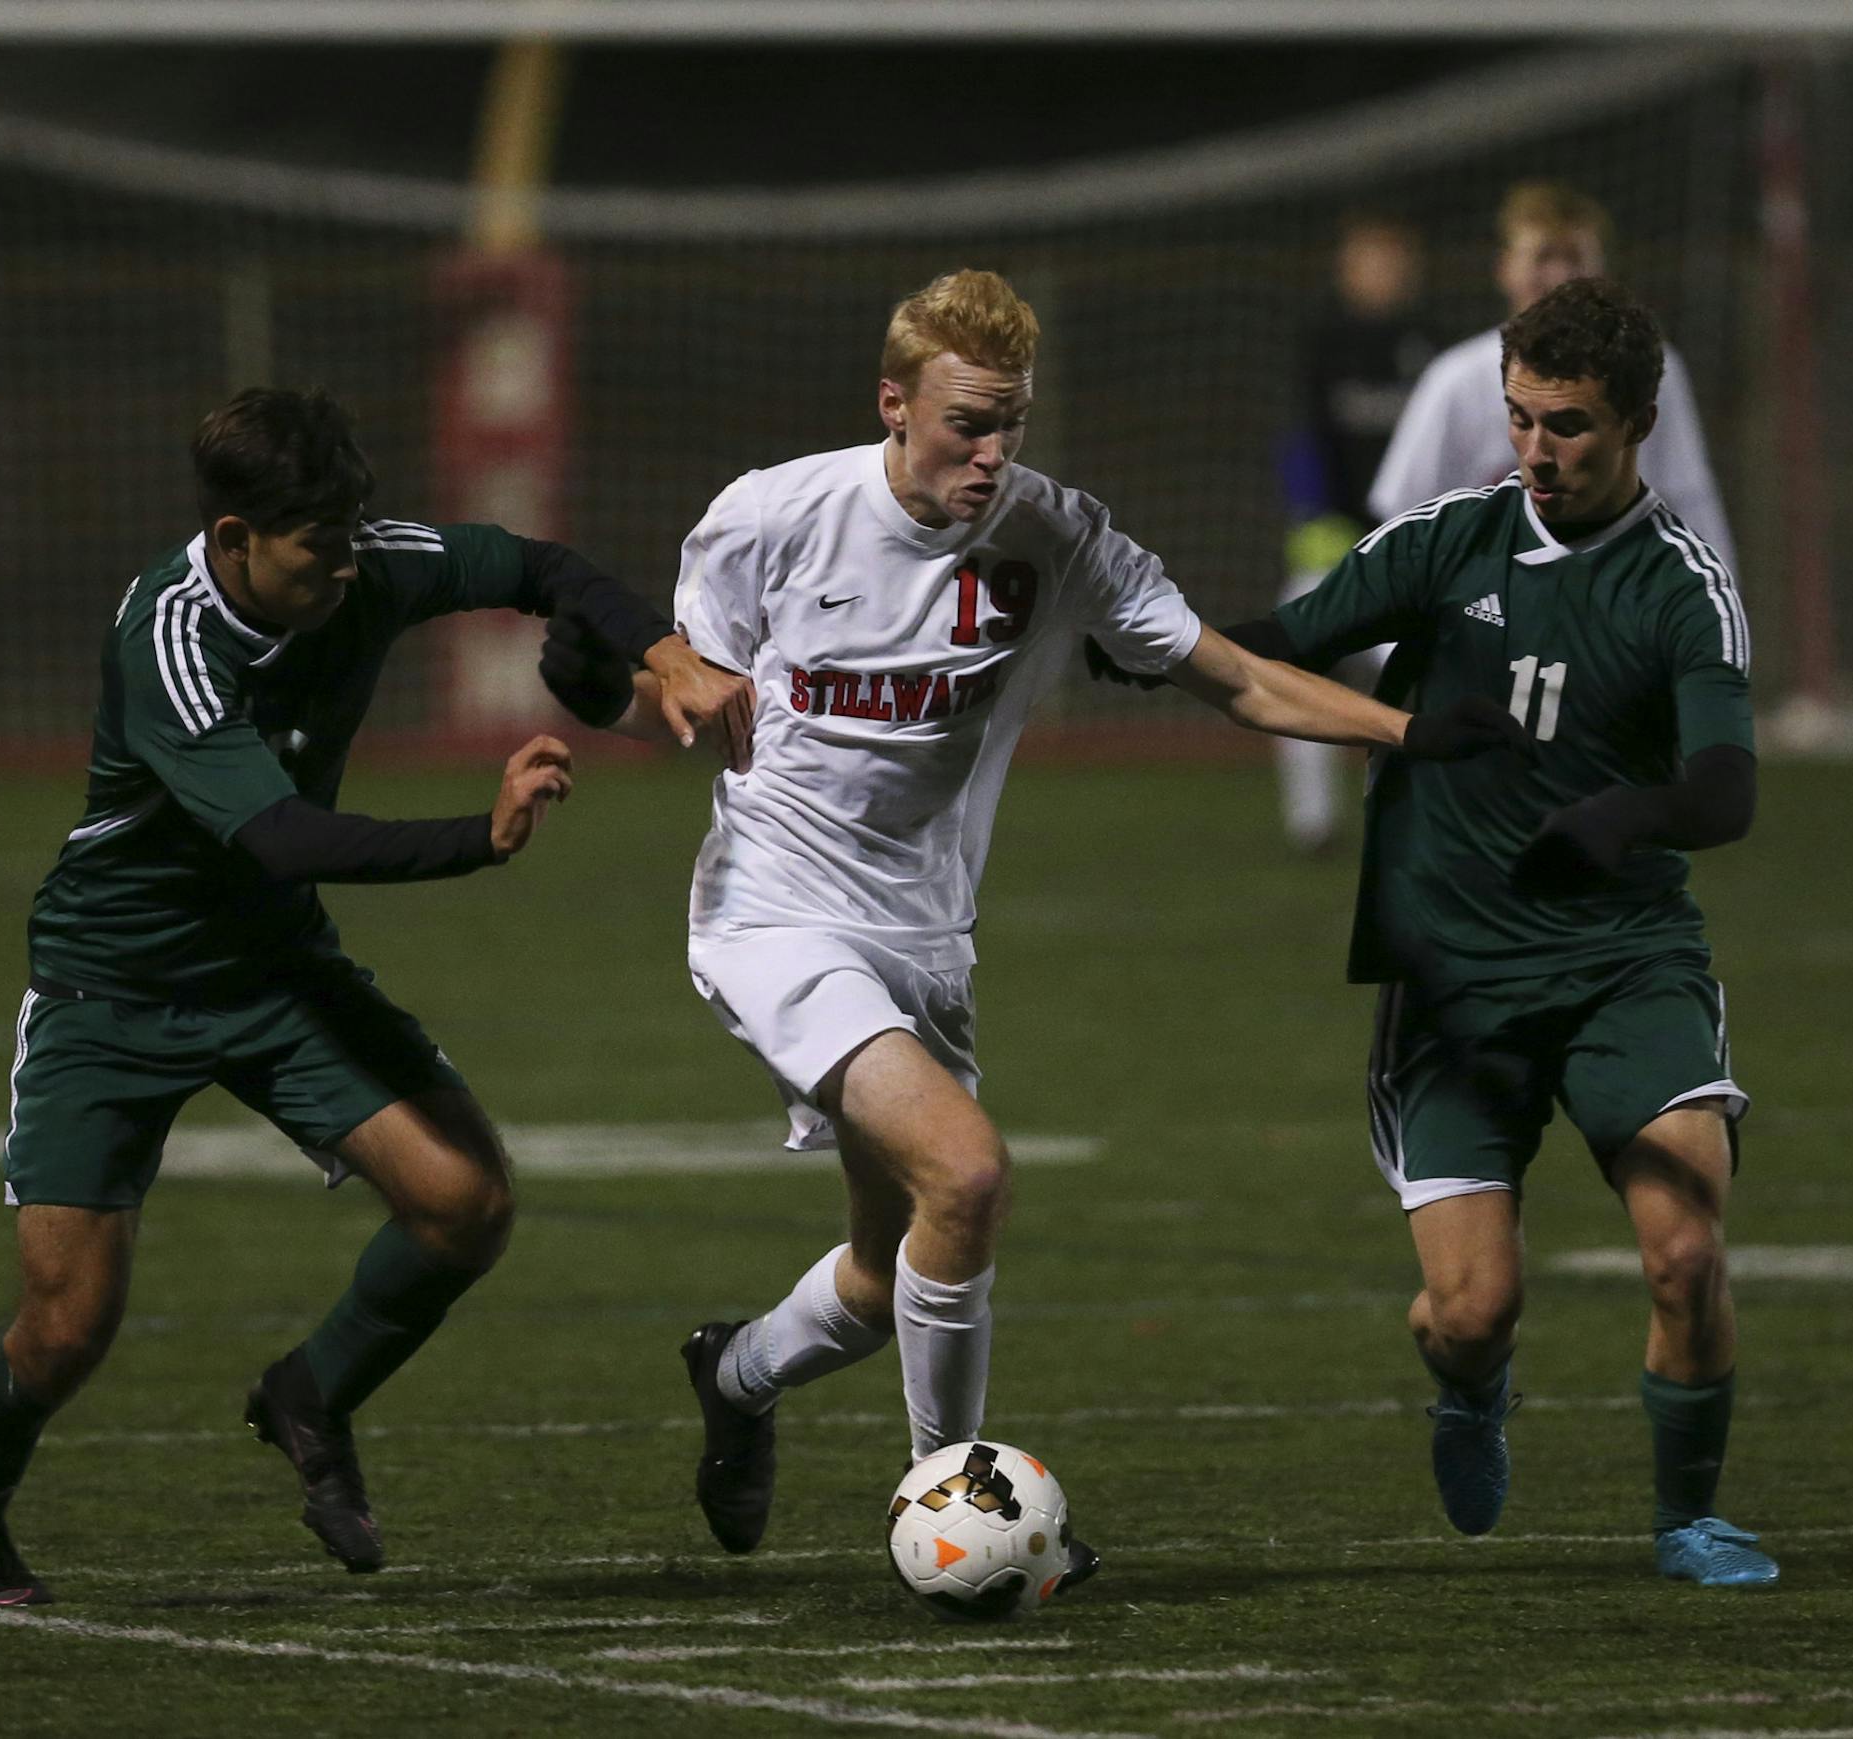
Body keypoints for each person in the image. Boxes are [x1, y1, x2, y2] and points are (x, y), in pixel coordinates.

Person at [536, 269, 1531, 1588]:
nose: (990, 453)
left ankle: (736, 1371)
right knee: (971, 1172)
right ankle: (953, 1499)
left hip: (924, 936)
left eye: (1010, 423)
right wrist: (606, 687)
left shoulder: (1055, 534)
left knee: (895, 1266)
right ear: (894, 405)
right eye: (965, 424)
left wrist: (1410, 733)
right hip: (771, 911)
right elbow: (686, 691)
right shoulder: (770, 516)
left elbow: (1230, 676)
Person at [0, 387, 749, 1609]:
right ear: (235, 534)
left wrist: (659, 649)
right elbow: (285, 837)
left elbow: (541, 563)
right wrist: (485, 832)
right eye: (320, 547)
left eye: (356, 534)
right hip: (116, 984)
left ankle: (310, 1391)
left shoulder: (362, 562)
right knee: (66, 1323)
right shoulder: (170, 638)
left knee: (466, 1201)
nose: (348, 567)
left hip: (275, 972)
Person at [1103, 278, 1770, 1587]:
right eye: (1520, 418)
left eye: (1568, 424)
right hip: (1455, 979)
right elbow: (1279, 644)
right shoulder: (1445, 542)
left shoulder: (1684, 584)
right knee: (1473, 1309)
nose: (1535, 448)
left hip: (1624, 963)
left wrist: (1620, 816)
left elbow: (1726, 791)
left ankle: (1688, 1514)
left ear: (1636, 421)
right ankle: (1473, 1388)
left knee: (1685, 1246)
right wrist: (1143, 644)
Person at [1370, 181, 1736, 575]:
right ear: (1505, 268)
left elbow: (1690, 503)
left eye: (1575, 256)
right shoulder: (1455, 381)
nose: (1560, 274)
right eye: (1544, 257)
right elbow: (1404, 518)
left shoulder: (1654, 371)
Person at [1276, 212, 1441, 850]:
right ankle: (1312, 824)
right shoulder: (1321, 343)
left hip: (1411, 548)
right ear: (1347, 269)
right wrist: (1314, 516)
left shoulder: (1435, 346)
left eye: (1392, 260)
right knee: (1290, 675)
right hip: (1335, 544)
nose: (1381, 273)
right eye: (1369, 260)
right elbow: (1300, 441)